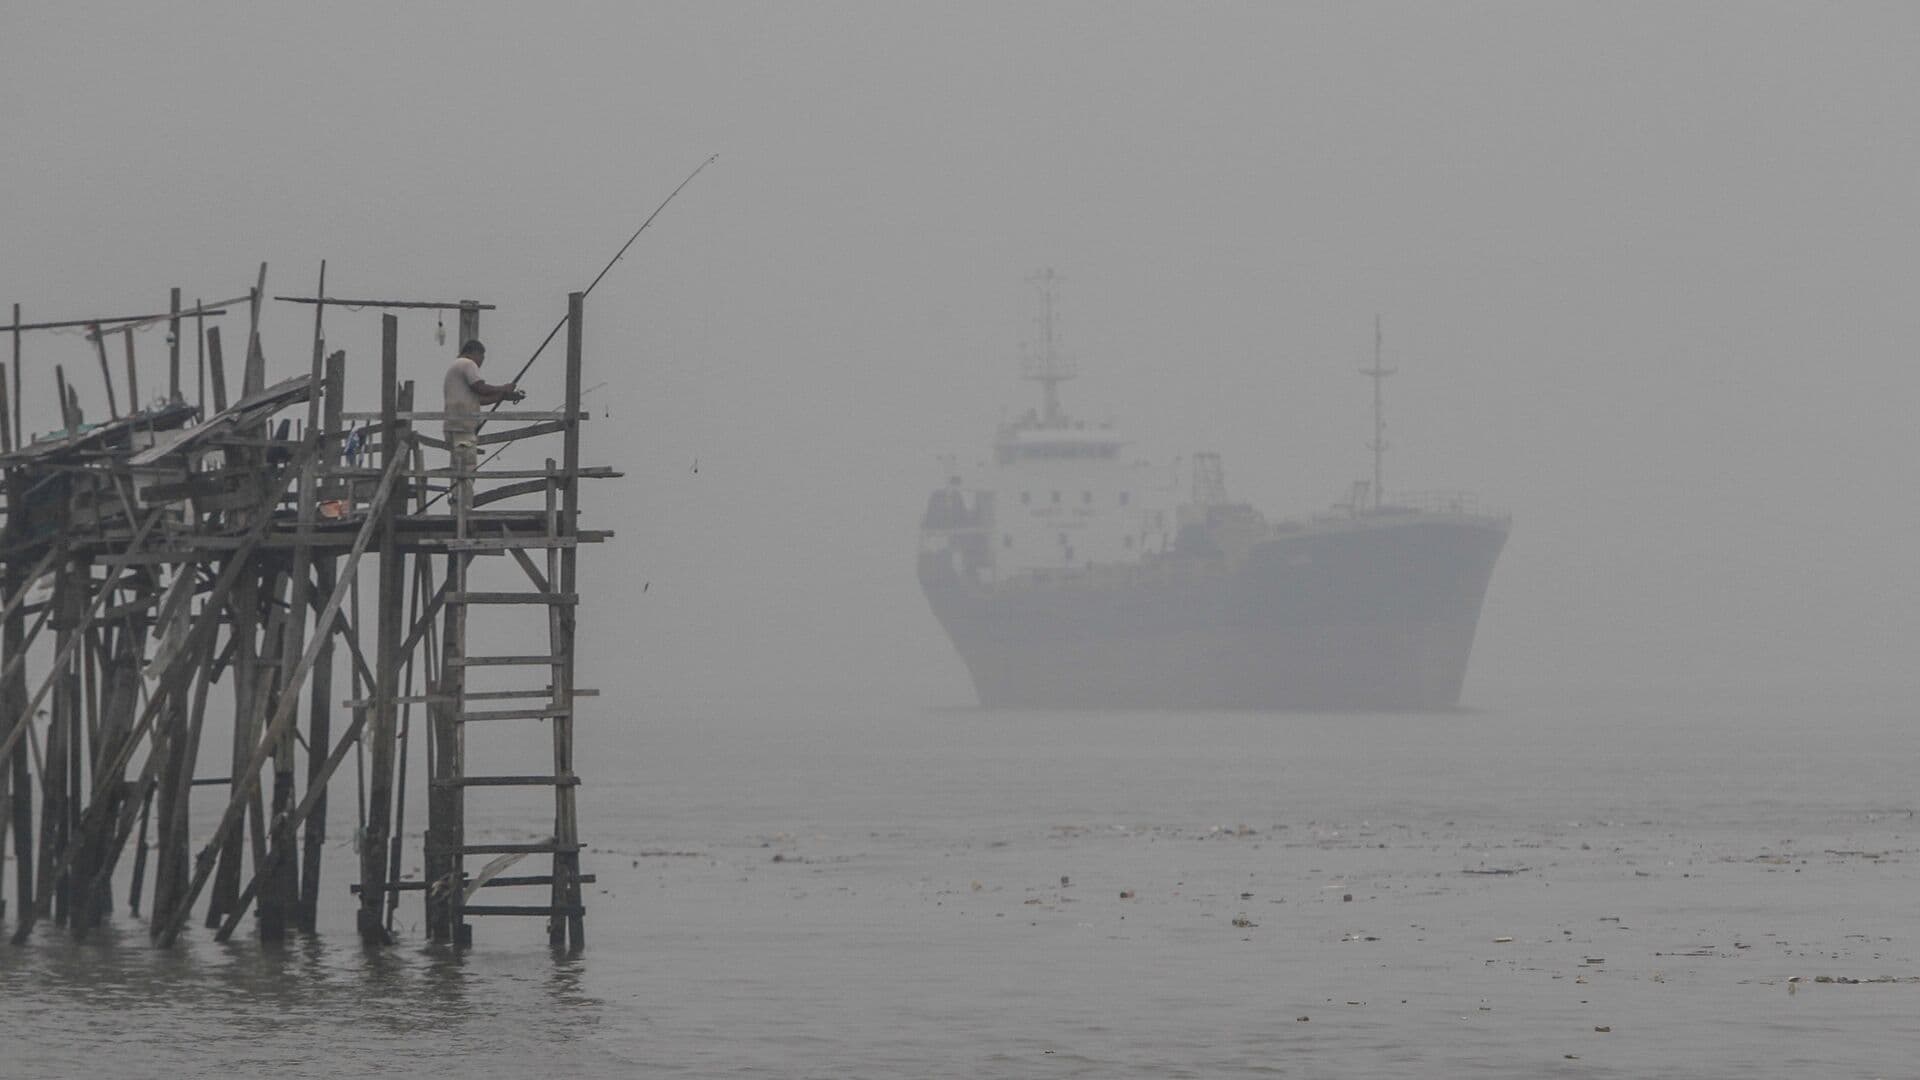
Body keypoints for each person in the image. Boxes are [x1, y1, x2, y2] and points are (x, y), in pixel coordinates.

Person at [443, 339, 524, 502]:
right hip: (463, 429)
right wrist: (504, 388)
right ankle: (463, 506)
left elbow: (479, 399)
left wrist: (503, 396)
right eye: (482, 357)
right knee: (467, 467)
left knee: (459, 466)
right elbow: (480, 387)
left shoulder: (455, 368)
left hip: (453, 426)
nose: (481, 362)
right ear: (475, 353)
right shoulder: (467, 364)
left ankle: (457, 499)